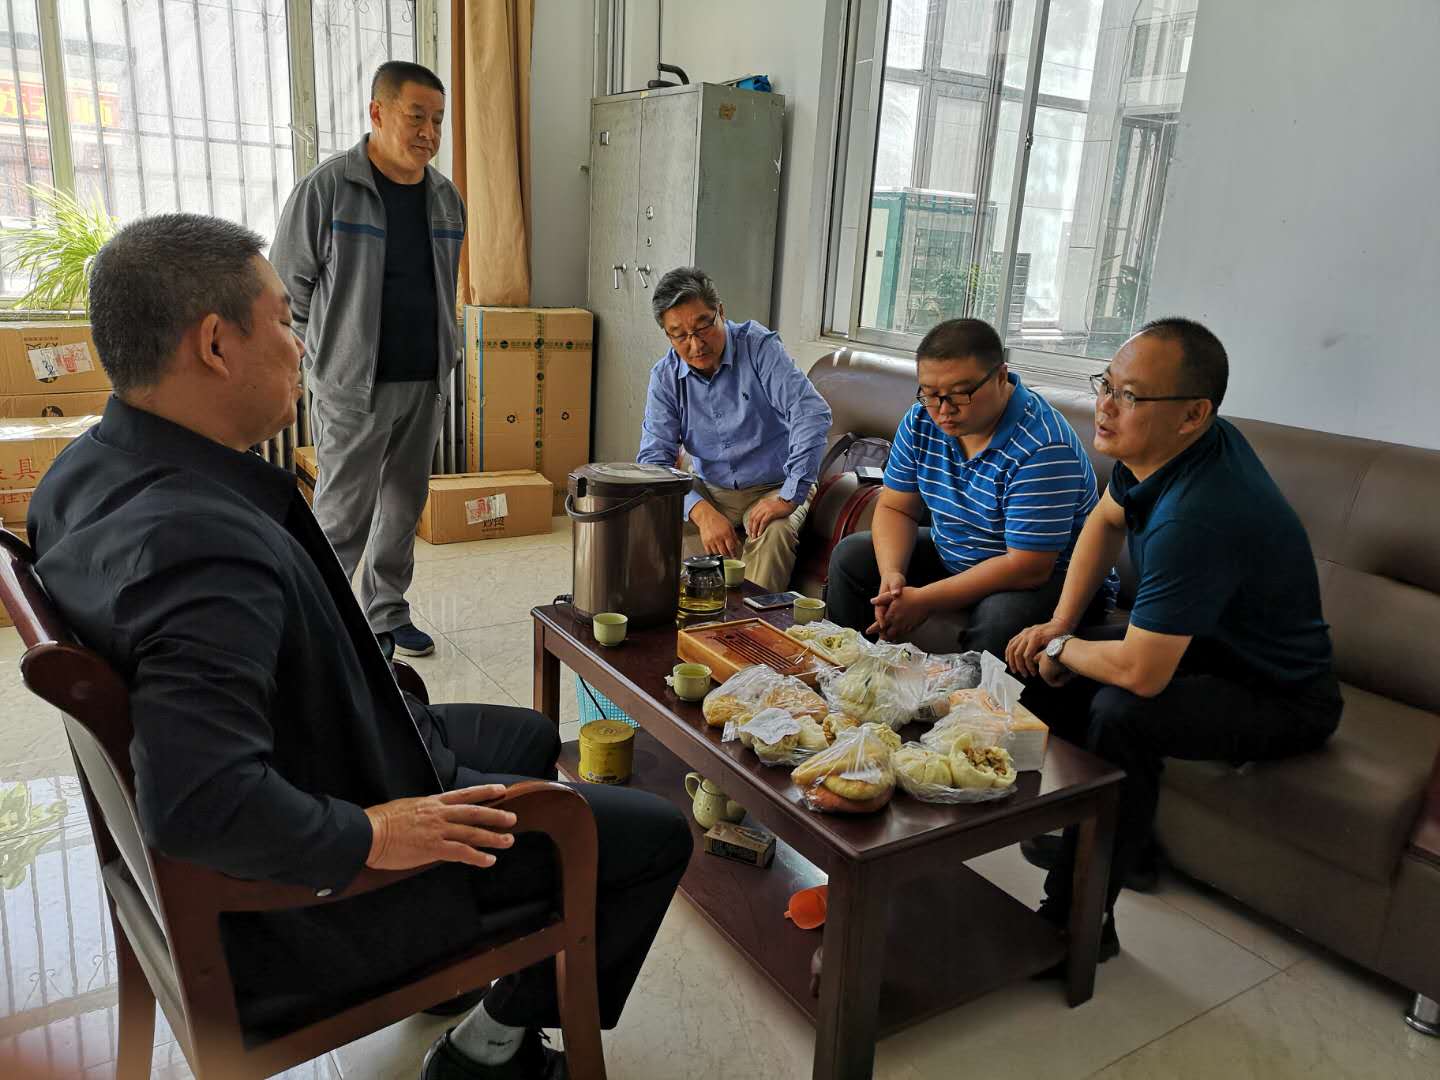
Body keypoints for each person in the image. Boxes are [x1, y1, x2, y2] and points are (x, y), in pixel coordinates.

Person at [28, 214, 692, 1080]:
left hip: (312, 749)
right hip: (304, 908)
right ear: (216, 344)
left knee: (528, 736)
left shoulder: (81, 472)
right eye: (283, 320)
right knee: (651, 836)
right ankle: (487, 1052)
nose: (299, 345)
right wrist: (372, 835)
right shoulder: (199, 550)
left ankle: (465, 973)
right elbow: (200, 803)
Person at [1005, 318, 1342, 963]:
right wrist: (1060, 626)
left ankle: (1079, 924)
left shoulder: (1199, 514)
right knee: (1039, 668)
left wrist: (1062, 650)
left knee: (1119, 711)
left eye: (1130, 396)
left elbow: (1141, 673)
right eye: (1107, 385)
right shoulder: (1166, 451)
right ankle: (1101, 834)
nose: (1105, 406)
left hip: (1282, 694)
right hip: (1207, 643)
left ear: (1193, 414)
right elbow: (1105, 520)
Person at [270, 61, 465, 659]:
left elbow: (441, 287)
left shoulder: (445, 198)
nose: (429, 132)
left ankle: (386, 613)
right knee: (342, 516)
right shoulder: (328, 189)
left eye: (438, 120)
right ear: (378, 112)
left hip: (424, 382)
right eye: (416, 116)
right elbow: (284, 290)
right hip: (352, 386)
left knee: (403, 509)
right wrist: (322, 359)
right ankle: (324, 630)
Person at [827, 318, 1111, 655]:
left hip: (1051, 577)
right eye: (931, 394)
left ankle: (970, 692)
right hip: (959, 552)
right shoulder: (921, 420)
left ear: (1001, 376)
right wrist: (892, 575)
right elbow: (896, 507)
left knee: (1000, 620)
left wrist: (925, 599)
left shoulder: (1043, 447)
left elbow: (1028, 568)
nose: (944, 411)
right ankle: (848, 673)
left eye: (960, 394)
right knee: (852, 558)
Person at [637, 267, 832, 593]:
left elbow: (811, 413)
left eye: (703, 326)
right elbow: (654, 462)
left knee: (774, 532)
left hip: (775, 483)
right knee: (649, 519)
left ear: (721, 312)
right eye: (680, 335)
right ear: (668, 336)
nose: (695, 344)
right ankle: (673, 618)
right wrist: (700, 511)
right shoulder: (665, 377)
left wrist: (788, 496)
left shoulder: (759, 347)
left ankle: (752, 622)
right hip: (711, 488)